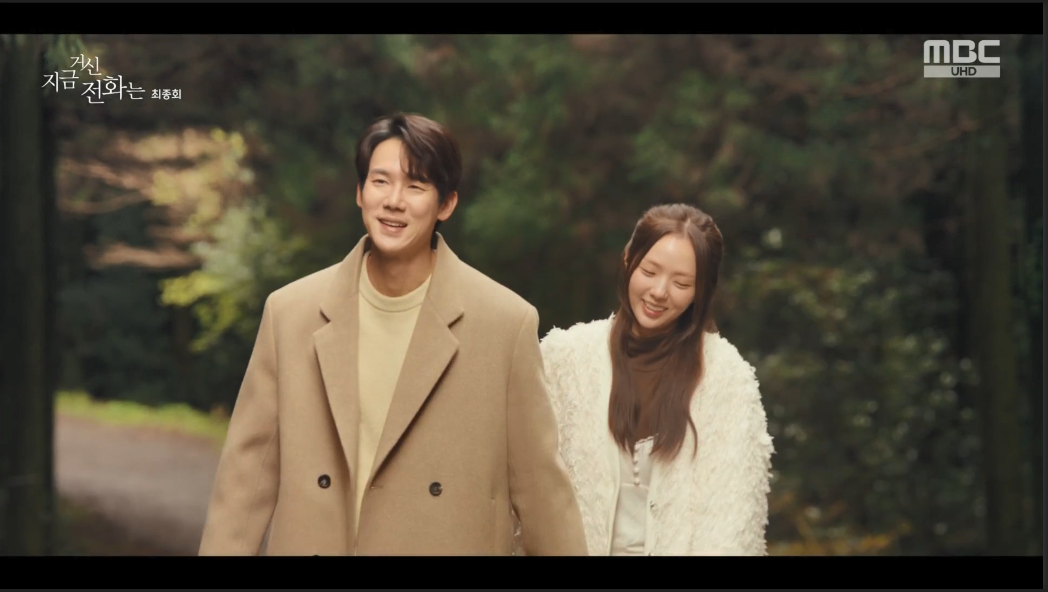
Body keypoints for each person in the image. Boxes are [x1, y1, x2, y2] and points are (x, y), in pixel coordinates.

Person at [198, 112, 588, 556]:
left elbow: (541, 492)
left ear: (446, 204)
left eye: (415, 186)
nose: (394, 201)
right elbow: (245, 479)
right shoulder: (292, 313)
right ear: (359, 192)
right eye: (380, 181)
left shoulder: (504, 323)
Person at [535, 203, 774, 556]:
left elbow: (733, 523)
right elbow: (529, 489)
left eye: (681, 283)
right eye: (649, 271)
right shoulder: (565, 358)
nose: (660, 291)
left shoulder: (726, 378)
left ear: (702, 290)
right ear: (628, 260)